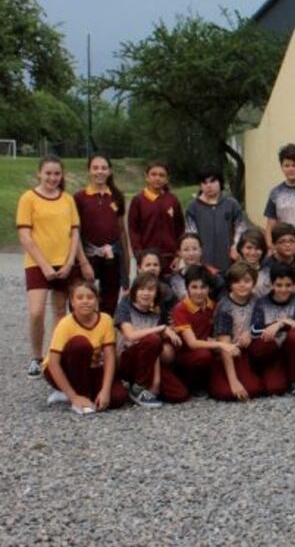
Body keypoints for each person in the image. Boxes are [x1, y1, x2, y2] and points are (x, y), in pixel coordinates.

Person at [16, 156, 81, 378]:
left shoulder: (67, 199)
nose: (52, 178)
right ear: (39, 173)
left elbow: (74, 233)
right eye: (48, 173)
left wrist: (70, 261)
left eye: (57, 174)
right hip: (37, 263)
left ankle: (56, 355)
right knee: (36, 312)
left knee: (61, 311)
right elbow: (25, 235)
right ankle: (35, 356)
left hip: (64, 262)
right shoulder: (28, 198)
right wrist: (43, 265)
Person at [43, 280, 127, 414]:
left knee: (118, 398)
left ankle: (76, 392)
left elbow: (110, 357)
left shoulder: (105, 320)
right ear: (72, 302)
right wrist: (74, 397)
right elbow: (53, 364)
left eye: (90, 297)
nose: (85, 301)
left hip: (91, 368)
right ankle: (75, 394)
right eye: (80, 298)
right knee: (80, 344)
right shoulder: (65, 324)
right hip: (63, 370)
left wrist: (105, 391)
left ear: (97, 300)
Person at [114, 272, 182, 408]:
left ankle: (144, 386)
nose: (146, 293)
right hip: (126, 359)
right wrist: (161, 328)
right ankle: (138, 388)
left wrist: (156, 383)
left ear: (156, 293)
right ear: (135, 291)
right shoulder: (125, 308)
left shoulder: (156, 314)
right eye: (142, 289)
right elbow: (130, 336)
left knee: (179, 394)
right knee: (153, 338)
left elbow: (155, 352)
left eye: (150, 290)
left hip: (147, 364)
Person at [73, 154, 129, 315]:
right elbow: (74, 231)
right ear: (89, 171)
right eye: (95, 168)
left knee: (110, 299)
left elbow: (121, 230)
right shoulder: (79, 198)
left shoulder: (117, 196)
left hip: (112, 255)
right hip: (87, 254)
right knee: (83, 296)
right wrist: (82, 261)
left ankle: (104, 334)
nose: (100, 172)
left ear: (110, 171)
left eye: (104, 168)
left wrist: (126, 261)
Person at [250, 261, 295, 396]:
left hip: (289, 349)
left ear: (294, 284)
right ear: (272, 284)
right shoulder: (262, 302)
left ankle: (294, 380)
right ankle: (266, 372)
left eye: (288, 285)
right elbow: (254, 330)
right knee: (274, 389)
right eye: (279, 285)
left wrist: (279, 324)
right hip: (271, 351)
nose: (283, 289)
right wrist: (281, 322)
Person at [210, 262, 263, 401]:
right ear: (230, 284)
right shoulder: (225, 306)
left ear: (254, 282)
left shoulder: (255, 300)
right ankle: (219, 378)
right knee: (226, 393)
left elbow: (260, 322)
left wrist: (250, 332)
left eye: (247, 281)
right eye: (237, 281)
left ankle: (253, 374)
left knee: (253, 389)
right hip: (225, 353)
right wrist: (234, 382)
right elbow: (225, 345)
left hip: (244, 351)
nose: (242, 285)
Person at [169, 265, 221, 397]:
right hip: (185, 354)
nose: (199, 292)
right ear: (187, 288)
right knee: (203, 355)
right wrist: (220, 344)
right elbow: (192, 343)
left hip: (206, 348)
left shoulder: (213, 306)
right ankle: (191, 383)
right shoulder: (181, 309)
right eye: (194, 287)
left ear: (209, 288)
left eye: (203, 287)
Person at [184, 168, 247, 273]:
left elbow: (241, 228)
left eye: (213, 181)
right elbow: (191, 235)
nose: (209, 186)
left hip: (229, 261)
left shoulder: (232, 204)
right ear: (200, 185)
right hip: (203, 263)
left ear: (220, 182)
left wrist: (235, 246)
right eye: (204, 182)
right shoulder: (192, 207)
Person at [128, 160, 184, 276]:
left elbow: (180, 229)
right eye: (153, 174)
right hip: (148, 261)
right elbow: (133, 231)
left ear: (167, 179)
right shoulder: (138, 200)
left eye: (161, 175)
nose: (157, 178)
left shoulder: (172, 200)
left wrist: (178, 254)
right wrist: (140, 256)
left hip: (170, 258)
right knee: (148, 291)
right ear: (147, 177)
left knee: (170, 291)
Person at [264, 143, 295, 262]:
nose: (290, 169)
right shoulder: (276, 193)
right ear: (281, 166)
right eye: (286, 165)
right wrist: (272, 247)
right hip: (284, 253)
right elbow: (270, 224)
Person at [256, 222, 295, 299]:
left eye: (292, 241)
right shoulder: (266, 267)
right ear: (274, 244)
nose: (288, 245)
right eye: (282, 241)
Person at [169, 233, 223, 301]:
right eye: (186, 250)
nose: (191, 253)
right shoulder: (175, 278)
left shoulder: (214, 276)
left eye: (195, 249)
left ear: (200, 251)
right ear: (179, 253)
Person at [134, 249, 177, 320]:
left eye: (155, 265)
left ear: (160, 268)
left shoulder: (167, 290)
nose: (152, 268)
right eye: (148, 265)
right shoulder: (133, 290)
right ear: (139, 269)